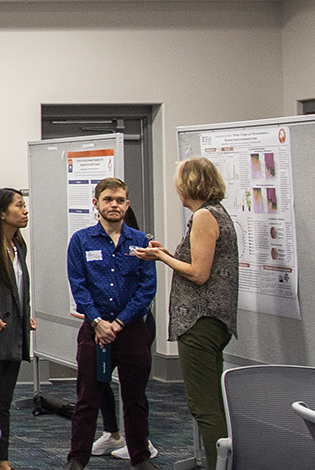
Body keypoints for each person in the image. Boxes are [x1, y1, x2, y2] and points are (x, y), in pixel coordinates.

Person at [133, 158, 237, 469]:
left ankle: (219, 466)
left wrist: (161, 258)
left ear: (188, 185)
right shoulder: (215, 213)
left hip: (200, 321)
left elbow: (199, 274)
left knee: (204, 406)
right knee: (213, 402)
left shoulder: (204, 216)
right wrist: (166, 253)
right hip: (212, 321)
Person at [63, 177, 158, 470]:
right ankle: (77, 459)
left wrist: (118, 323)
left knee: (135, 399)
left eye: (119, 200)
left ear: (127, 205)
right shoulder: (81, 241)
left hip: (131, 331)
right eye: (108, 200)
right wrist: (98, 322)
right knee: (87, 400)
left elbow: (147, 288)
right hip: (94, 332)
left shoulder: (141, 241)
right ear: (96, 204)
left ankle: (140, 457)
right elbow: (78, 285)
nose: (114, 205)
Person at [0, 188, 35, 470]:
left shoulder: (18, 245)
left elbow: (19, 288)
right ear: (2, 213)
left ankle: (1, 459)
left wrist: (25, 315)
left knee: (3, 402)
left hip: (13, 334)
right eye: (19, 206)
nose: (25, 211)